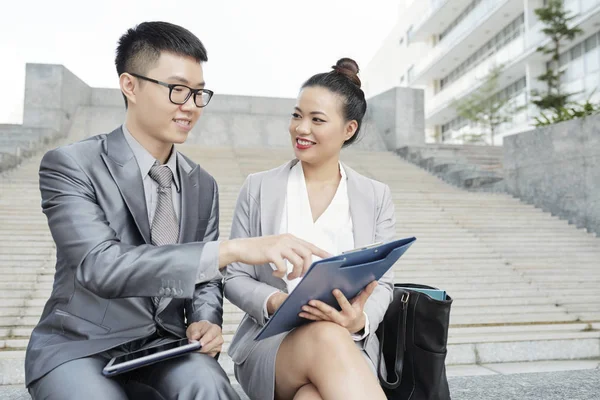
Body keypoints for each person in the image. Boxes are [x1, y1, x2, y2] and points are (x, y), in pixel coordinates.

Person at [24, 21, 327, 400]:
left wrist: (204, 319)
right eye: (177, 90)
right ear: (130, 85)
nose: (190, 106)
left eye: (199, 93)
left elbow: (205, 281)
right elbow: (99, 266)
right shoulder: (72, 164)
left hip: (167, 348)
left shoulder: (202, 183)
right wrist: (232, 250)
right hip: (79, 348)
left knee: (211, 388)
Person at [224, 58, 395, 400]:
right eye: (297, 115)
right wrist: (275, 302)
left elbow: (384, 283)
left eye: (317, 119)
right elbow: (232, 277)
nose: (301, 129)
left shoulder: (375, 196)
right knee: (325, 336)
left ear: (349, 129)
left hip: (349, 344)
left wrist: (357, 321)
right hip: (271, 344)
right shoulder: (258, 188)